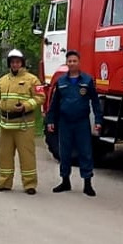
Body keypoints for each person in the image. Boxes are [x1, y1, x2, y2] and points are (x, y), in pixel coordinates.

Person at [45, 49, 103, 196]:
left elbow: (95, 103)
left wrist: (98, 120)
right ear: (67, 63)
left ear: (79, 63)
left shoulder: (87, 81)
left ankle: (87, 184)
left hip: (81, 122)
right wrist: (50, 120)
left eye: (74, 61)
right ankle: (65, 181)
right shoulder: (61, 82)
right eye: (69, 61)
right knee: (64, 153)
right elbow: (54, 104)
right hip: (65, 122)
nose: (72, 63)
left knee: (85, 152)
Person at [0, 48, 43, 194]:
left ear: (22, 63)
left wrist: (25, 105)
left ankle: (30, 185)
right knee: (4, 156)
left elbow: (40, 97)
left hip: (24, 125)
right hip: (6, 125)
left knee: (27, 156)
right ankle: (4, 182)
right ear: (9, 64)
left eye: (18, 62)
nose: (15, 65)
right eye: (13, 62)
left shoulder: (32, 79)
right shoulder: (2, 80)